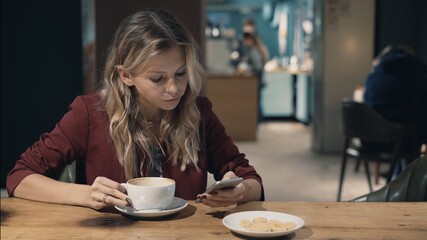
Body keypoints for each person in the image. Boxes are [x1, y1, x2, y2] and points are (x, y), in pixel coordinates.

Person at [6, 9, 263, 210]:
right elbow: (20, 177)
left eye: (181, 73)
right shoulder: (90, 112)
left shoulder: (199, 113)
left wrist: (241, 191)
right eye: (158, 78)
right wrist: (85, 194)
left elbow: (250, 179)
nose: (174, 89)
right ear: (126, 75)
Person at [363, 44, 427, 165]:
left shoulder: (373, 76)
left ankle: (399, 177)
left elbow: (366, 107)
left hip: (371, 142)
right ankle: (408, 178)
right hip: (403, 142)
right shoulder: (417, 75)